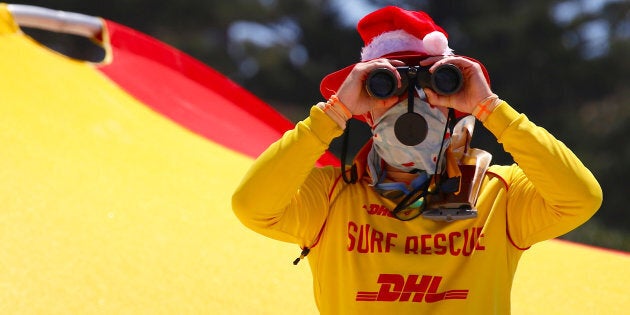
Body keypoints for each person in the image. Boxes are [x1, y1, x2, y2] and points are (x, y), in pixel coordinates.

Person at [232, 6, 602, 314]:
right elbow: (252, 206)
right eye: (385, 85)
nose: (414, 102)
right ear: (366, 112)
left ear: (455, 105)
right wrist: (334, 113)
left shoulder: (498, 197)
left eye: (432, 85)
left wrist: (490, 108)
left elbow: (579, 198)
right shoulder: (331, 198)